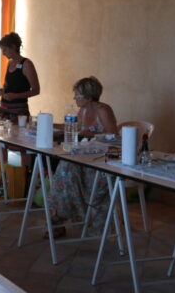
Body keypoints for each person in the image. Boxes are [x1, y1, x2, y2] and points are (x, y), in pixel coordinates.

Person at [47, 76, 118, 238]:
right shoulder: (83, 110)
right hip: (85, 156)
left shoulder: (103, 110)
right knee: (66, 166)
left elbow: (113, 136)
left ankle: (59, 216)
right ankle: (59, 214)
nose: (75, 98)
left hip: (102, 161)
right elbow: (72, 127)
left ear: (89, 97)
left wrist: (90, 133)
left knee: (67, 168)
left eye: (77, 95)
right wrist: (50, 124)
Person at [0, 32, 40, 123]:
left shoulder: (27, 64)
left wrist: (16, 96)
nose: (3, 53)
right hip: (4, 110)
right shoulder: (10, 63)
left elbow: (36, 90)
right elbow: (7, 85)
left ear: (13, 47)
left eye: (5, 50)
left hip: (19, 113)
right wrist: (3, 90)